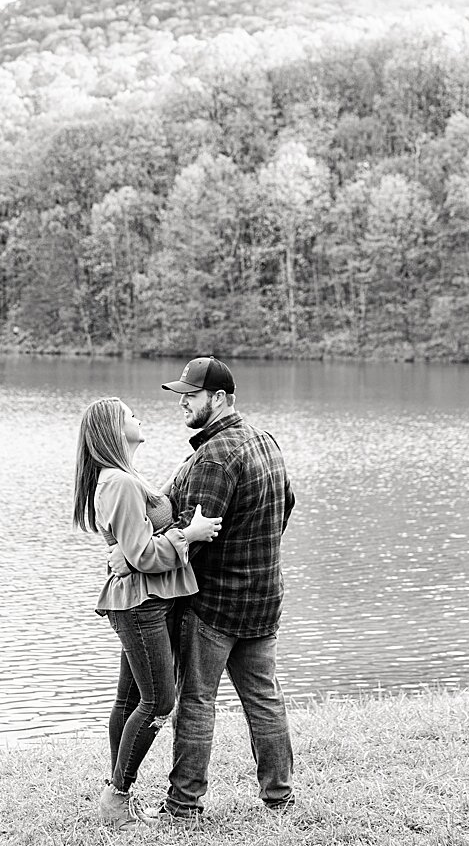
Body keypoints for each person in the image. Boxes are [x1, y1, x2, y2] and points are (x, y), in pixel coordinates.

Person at [110, 356, 297, 820]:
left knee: (196, 702)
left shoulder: (214, 457)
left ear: (219, 399)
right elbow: (286, 506)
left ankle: (183, 804)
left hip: (214, 604)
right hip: (264, 598)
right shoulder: (264, 440)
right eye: (180, 396)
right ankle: (279, 797)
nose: (182, 404)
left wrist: (132, 560)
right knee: (265, 700)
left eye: (190, 397)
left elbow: (189, 533)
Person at [72, 396, 222, 832]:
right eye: (130, 416)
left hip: (143, 600)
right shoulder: (117, 481)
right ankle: (117, 793)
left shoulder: (125, 476)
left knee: (132, 698)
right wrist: (188, 534)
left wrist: (151, 539)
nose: (139, 418)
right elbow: (140, 554)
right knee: (160, 700)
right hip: (141, 604)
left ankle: (117, 793)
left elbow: (133, 544)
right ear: (115, 431)